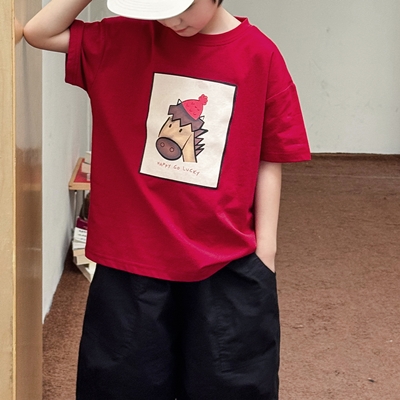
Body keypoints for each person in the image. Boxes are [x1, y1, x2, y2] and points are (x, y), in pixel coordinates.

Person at [24, 0, 311, 398]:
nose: (172, 19)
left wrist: (266, 249)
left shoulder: (260, 55)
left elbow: (270, 156)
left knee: (231, 385)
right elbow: (39, 31)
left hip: (226, 262)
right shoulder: (122, 38)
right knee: (120, 386)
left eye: (182, 6)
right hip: (130, 262)